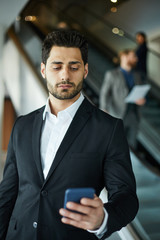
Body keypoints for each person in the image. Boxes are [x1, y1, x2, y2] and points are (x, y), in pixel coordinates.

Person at [0, 30, 138, 240]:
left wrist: (103, 219)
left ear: (85, 71)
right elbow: (7, 193)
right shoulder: (22, 125)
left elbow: (126, 197)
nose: (65, 75)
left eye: (74, 67)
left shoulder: (108, 129)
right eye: (57, 67)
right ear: (44, 70)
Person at [100, 49, 146, 149]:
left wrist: (142, 100)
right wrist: (104, 108)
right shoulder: (112, 74)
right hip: (117, 114)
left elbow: (139, 92)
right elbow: (105, 93)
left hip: (134, 115)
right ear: (124, 57)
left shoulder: (137, 75)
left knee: (132, 145)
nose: (136, 59)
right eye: (133, 56)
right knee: (115, 144)